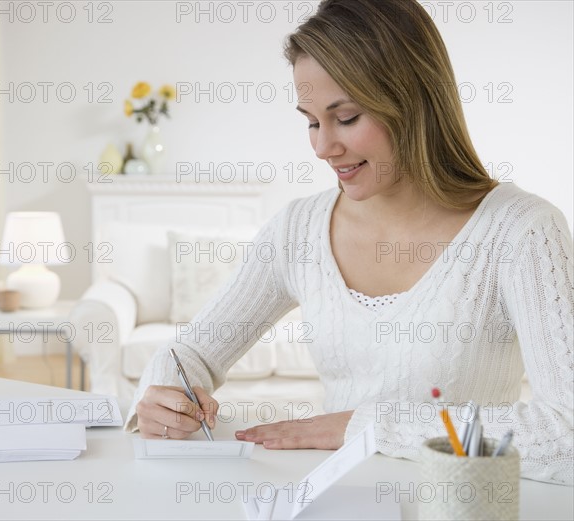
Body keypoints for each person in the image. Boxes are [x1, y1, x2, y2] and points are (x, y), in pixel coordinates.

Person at [124, 0, 573, 485]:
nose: (322, 147)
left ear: (415, 101)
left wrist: (370, 426)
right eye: (312, 121)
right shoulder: (299, 229)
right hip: (332, 501)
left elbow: (565, 434)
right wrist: (164, 395)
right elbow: (189, 355)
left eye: (347, 117)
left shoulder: (521, 230)